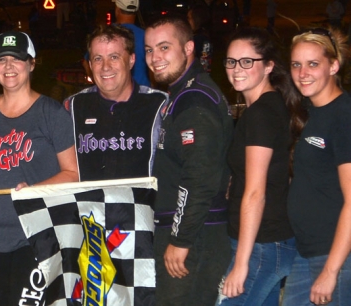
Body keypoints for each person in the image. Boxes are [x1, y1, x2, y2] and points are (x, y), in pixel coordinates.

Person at [0, 30, 78, 306]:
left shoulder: (52, 113)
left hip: (36, 235)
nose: (8, 66)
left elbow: (72, 174)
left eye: (17, 59)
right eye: (1, 60)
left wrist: (34, 190)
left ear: (32, 63)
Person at [144, 15, 234, 305]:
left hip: (196, 238)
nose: (155, 58)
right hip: (187, 233)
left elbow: (199, 178)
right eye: (149, 50)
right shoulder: (180, 95)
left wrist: (180, 240)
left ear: (188, 48)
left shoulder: (195, 100)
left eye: (164, 47)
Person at [215, 27, 301, 306]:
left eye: (247, 61)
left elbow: (256, 193)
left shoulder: (261, 114)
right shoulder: (267, 107)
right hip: (269, 241)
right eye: (231, 61)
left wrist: (241, 264)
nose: (237, 69)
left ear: (268, 66)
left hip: (261, 244)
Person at [282, 27, 351, 306]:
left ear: (333, 65)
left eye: (313, 64)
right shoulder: (307, 113)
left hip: (336, 256)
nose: (302, 73)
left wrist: (331, 271)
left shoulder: (343, 115)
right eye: (296, 65)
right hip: (306, 251)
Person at [65, 24, 168, 181]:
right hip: (88, 204)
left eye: (114, 57)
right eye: (98, 59)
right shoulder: (72, 107)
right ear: (91, 65)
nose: (106, 67)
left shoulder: (160, 106)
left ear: (131, 60)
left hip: (143, 204)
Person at [82, 0, 151, 88]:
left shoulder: (104, 35)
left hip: (112, 93)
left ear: (117, 9)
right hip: (143, 94)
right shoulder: (147, 36)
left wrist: (98, 83)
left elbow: (86, 62)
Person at [187, 5, 212, 73]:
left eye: (189, 18)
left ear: (196, 19)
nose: (188, 21)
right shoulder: (195, 37)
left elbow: (205, 65)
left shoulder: (201, 39)